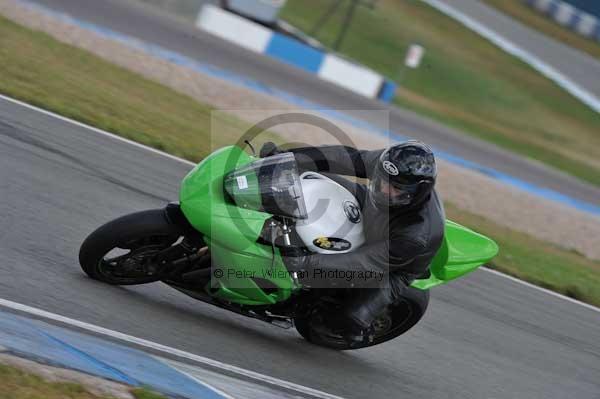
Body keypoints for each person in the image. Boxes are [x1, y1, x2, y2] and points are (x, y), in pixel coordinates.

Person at [260, 140, 445, 346]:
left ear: (417, 192)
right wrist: (286, 157)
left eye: (396, 188)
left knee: (351, 319)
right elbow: (344, 158)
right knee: (310, 181)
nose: (384, 189)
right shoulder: (389, 167)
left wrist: (306, 263)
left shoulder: (416, 235)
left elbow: (366, 262)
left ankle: (355, 328)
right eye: (383, 181)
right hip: (374, 210)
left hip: (392, 266)